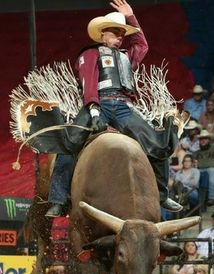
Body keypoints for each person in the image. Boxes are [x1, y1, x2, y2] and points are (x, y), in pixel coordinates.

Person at [46, 0, 184, 217]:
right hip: (98, 103)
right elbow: (88, 81)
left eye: (122, 34)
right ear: (102, 34)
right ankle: (59, 199)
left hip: (122, 107)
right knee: (69, 143)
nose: (120, 37)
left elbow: (142, 45)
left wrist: (131, 17)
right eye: (115, 33)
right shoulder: (90, 54)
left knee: (158, 143)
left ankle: (162, 194)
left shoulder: (126, 56)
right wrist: (92, 108)